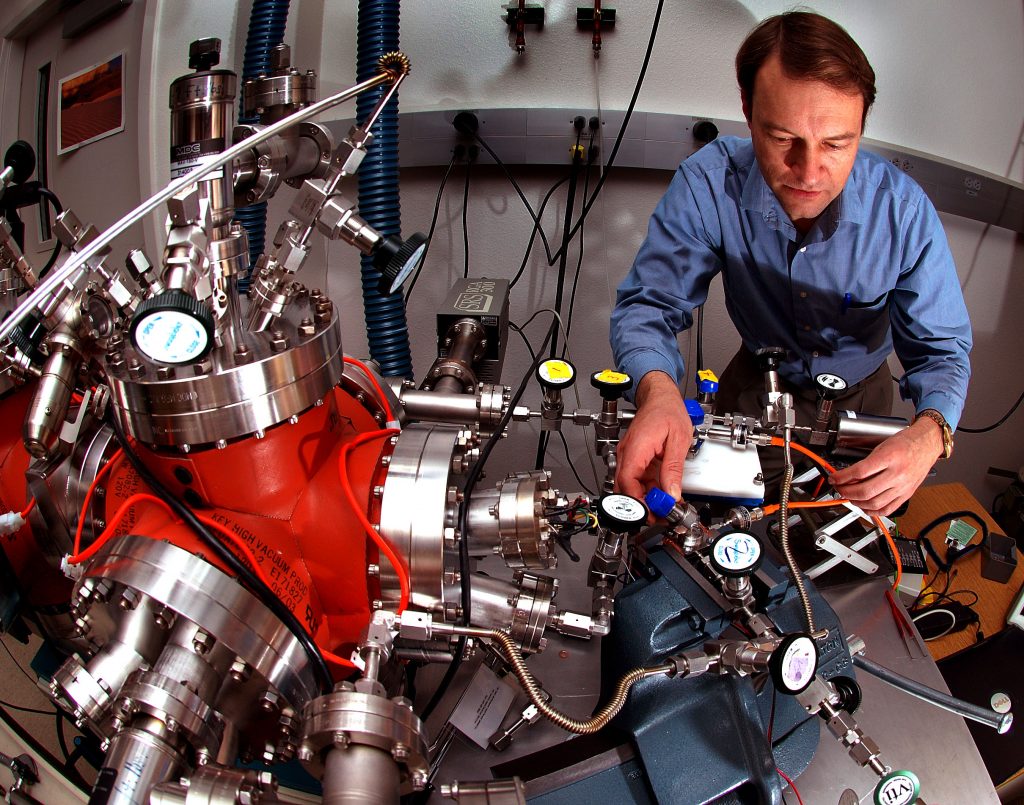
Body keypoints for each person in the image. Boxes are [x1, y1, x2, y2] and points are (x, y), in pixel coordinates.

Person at [610, 11, 971, 517]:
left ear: (862, 125)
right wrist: (658, 391)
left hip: (863, 406)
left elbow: (941, 352)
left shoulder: (903, 212)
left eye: (836, 144)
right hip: (753, 389)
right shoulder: (709, 184)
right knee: (722, 539)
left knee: (842, 552)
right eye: (783, 140)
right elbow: (648, 305)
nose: (808, 172)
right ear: (747, 109)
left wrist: (929, 434)